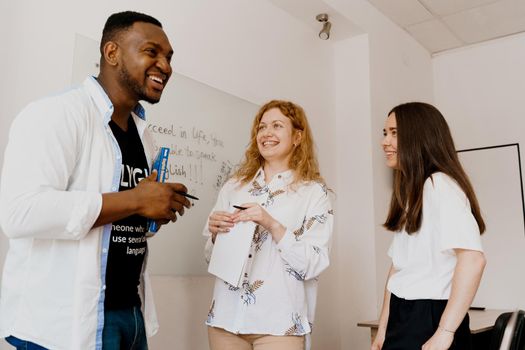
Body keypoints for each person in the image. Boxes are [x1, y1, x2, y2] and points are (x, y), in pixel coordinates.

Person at [0, 11, 191, 350]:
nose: (165, 65)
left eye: (169, 57)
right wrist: (136, 200)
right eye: (152, 52)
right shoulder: (56, 114)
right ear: (112, 52)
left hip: (130, 315)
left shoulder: (146, 138)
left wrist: (151, 214)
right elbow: (19, 213)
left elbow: (118, 220)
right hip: (61, 326)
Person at [203, 100, 333, 350]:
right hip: (226, 319)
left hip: (280, 323)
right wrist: (215, 235)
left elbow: (313, 263)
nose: (266, 133)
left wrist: (271, 224)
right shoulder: (234, 186)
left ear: (297, 137)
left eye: (277, 125)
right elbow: (210, 258)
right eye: (262, 127)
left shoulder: (313, 192)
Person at [372, 102, 487, 350]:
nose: (385, 142)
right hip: (405, 313)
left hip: (428, 315)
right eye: (385, 133)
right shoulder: (413, 191)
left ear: (418, 137)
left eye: (394, 133)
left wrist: (445, 332)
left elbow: (473, 259)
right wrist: (383, 328)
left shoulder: (439, 185)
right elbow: (397, 269)